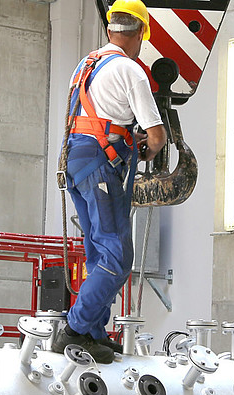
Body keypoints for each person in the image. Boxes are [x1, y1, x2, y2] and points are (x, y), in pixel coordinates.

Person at [53, 0, 167, 363]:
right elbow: (157, 135)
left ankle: (92, 332)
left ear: (110, 30)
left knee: (97, 251)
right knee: (117, 256)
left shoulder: (84, 65)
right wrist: (146, 151)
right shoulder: (130, 70)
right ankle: (73, 330)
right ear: (141, 36)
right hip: (99, 164)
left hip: (73, 160)